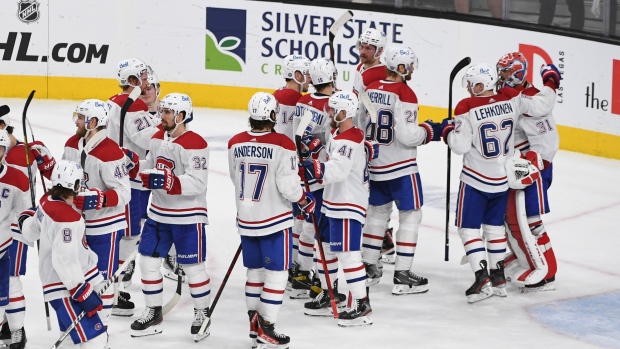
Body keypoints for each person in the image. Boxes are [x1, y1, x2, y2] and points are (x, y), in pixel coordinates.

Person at [441, 62, 561, 303]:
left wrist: (447, 130)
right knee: (495, 227)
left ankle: (482, 278)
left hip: (475, 178)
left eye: (471, 84)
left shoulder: (466, 106)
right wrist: (550, 83)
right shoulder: (511, 97)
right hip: (501, 179)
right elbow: (538, 105)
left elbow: (460, 146)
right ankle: (498, 279)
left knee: (468, 228)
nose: (468, 88)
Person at [228, 92, 315, 348]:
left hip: (246, 218)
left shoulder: (235, 143)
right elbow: (288, 187)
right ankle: (268, 327)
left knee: (254, 273)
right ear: (272, 115)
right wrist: (303, 199)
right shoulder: (283, 144)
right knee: (277, 274)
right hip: (274, 220)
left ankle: (254, 328)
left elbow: (236, 178)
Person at [131, 93, 211, 342]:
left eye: (166, 112)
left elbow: (198, 182)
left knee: (193, 268)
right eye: (161, 110)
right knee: (147, 262)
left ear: (181, 116)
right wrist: (132, 165)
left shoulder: (196, 144)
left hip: (188, 216)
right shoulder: (156, 137)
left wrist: (169, 181)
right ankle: (153, 312)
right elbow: (151, 166)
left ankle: (202, 314)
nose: (160, 116)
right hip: (158, 213)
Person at [361, 46, 441, 294]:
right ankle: (403, 274)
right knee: (411, 215)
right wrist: (430, 131)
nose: (413, 70)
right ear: (402, 67)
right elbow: (407, 136)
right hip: (401, 167)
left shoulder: (371, 88)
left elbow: (359, 124)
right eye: (411, 65)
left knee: (376, 214)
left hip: (375, 165)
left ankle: (369, 267)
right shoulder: (405, 92)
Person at [299, 90, 372, 327]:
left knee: (348, 255)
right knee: (327, 251)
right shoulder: (341, 133)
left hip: (347, 204)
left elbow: (337, 171)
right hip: (334, 202)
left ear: (343, 113)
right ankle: (332, 294)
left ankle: (362, 305)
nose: (328, 112)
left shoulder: (347, 140)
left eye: (331, 109)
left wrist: (311, 165)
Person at [19, 160, 108, 349]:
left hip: (70, 280)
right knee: (95, 338)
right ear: (74, 184)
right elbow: (64, 259)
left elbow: (31, 230)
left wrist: (25, 220)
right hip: (65, 287)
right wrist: (81, 291)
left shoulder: (46, 201)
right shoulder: (67, 218)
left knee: (69, 336)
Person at [59, 99, 131, 329]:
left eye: (81, 117)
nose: (76, 121)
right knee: (77, 277)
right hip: (77, 224)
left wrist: (99, 198)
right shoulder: (72, 144)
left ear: (93, 122)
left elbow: (124, 193)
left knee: (102, 281)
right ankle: (85, 326)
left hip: (105, 226)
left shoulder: (110, 151)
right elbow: (63, 179)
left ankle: (103, 329)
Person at [496, 52, 559, 291]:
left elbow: (547, 145)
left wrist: (534, 163)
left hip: (532, 170)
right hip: (516, 166)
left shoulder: (529, 98)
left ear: (517, 73)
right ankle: (524, 257)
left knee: (530, 219)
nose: (500, 76)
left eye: (505, 72)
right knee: (507, 217)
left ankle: (548, 272)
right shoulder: (517, 94)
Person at [106, 58, 160, 315]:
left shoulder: (112, 101)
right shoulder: (133, 103)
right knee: (129, 234)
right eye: (143, 77)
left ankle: (115, 288)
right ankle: (116, 292)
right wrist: (166, 126)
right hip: (131, 178)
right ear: (133, 81)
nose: (147, 82)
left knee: (123, 231)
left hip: (118, 174)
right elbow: (144, 137)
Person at [293, 58, 347, 310]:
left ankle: (303, 274)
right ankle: (323, 284)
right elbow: (337, 139)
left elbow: (299, 138)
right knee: (321, 232)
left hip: (304, 174)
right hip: (322, 176)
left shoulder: (303, 101)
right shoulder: (332, 104)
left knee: (306, 226)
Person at [0, 108, 54, 349]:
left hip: (18, 226)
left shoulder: (30, 150)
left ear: (4, 126)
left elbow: (55, 176)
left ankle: (16, 329)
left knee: (10, 278)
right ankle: (6, 323)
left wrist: (43, 157)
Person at [272, 54, 311, 293]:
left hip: (271, 165)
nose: (309, 79)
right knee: (298, 218)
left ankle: (284, 267)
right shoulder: (302, 101)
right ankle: (295, 268)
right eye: (305, 74)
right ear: (297, 75)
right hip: (292, 167)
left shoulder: (272, 97)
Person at [0, 130, 30, 349]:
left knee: (11, 285)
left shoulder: (18, 178)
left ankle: (17, 330)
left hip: (4, 244)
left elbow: (25, 213)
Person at [352, 28, 387, 130]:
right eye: (361, 47)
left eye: (368, 48)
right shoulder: (360, 67)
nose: (362, 52)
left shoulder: (382, 75)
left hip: (368, 129)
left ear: (379, 51)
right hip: (356, 125)